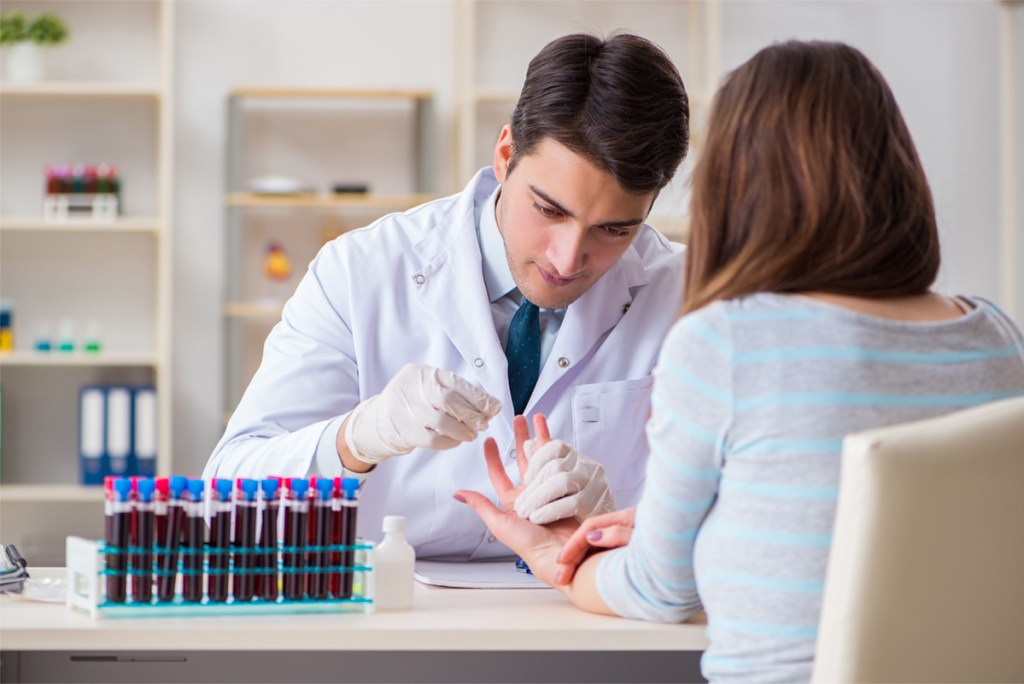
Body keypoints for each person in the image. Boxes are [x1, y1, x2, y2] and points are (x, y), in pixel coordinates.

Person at [456, 40, 1024, 681]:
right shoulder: (999, 340)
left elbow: (658, 592)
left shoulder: (727, 342)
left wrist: (552, 555)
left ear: (735, 186)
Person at [203, 32, 691, 559]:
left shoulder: (687, 295)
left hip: (582, 622)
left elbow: (736, 525)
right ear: (506, 155)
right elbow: (226, 497)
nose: (567, 259)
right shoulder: (359, 271)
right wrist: (355, 440)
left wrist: (620, 524)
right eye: (550, 211)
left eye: (615, 231)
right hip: (386, 620)